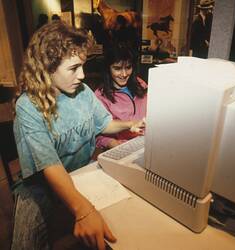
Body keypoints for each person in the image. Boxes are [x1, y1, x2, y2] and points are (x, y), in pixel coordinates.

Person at [11, 21, 145, 250]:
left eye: (82, 66)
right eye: (73, 68)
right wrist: (83, 211)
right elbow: (50, 167)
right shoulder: (28, 107)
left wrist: (130, 123)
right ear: (47, 67)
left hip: (82, 175)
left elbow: (105, 125)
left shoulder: (82, 93)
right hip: (42, 189)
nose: (82, 75)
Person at [95, 44, 147, 149]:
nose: (124, 74)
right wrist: (112, 143)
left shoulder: (140, 83)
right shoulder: (100, 95)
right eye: (117, 68)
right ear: (108, 68)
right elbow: (98, 133)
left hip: (147, 141)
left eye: (128, 67)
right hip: (124, 146)